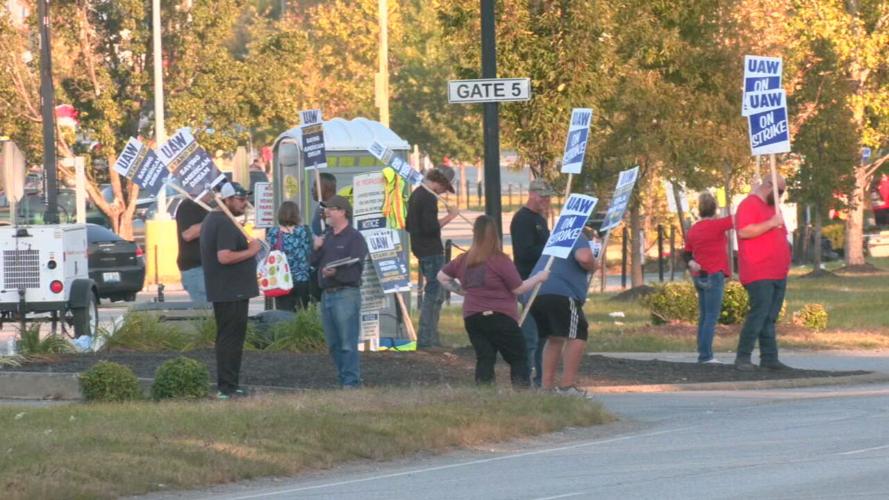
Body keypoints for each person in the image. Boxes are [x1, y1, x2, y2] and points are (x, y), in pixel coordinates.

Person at [438, 215, 549, 387]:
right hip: (500, 316)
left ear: (475, 234)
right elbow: (518, 288)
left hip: (473, 317)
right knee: (518, 356)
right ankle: (522, 394)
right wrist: (539, 278)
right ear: (495, 235)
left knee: (485, 357)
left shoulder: (464, 259)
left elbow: (442, 277)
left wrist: (461, 291)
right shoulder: (500, 260)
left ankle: (484, 393)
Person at [200, 182, 261, 399]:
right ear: (226, 200)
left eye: (246, 199)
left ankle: (230, 384)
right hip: (229, 289)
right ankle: (226, 386)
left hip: (229, 289)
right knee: (230, 338)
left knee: (231, 337)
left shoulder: (216, 220)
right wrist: (252, 251)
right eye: (240, 199)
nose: (245, 203)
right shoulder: (223, 222)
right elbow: (224, 256)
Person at [528, 230, 599, 396]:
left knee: (555, 338)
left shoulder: (557, 241)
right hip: (561, 294)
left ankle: (546, 387)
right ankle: (567, 386)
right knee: (578, 334)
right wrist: (595, 264)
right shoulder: (577, 236)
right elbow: (585, 258)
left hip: (537, 293)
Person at [310, 195, 369, 388]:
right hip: (327, 294)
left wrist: (336, 273)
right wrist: (317, 249)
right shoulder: (326, 236)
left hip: (346, 294)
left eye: (332, 209)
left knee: (347, 342)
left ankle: (351, 382)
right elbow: (312, 262)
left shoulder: (355, 238)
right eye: (327, 209)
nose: (327, 212)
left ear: (343, 212)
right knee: (333, 344)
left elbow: (355, 270)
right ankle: (344, 377)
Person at [734, 175, 791, 371]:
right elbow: (744, 231)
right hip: (759, 270)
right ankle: (743, 356)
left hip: (777, 271)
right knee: (759, 314)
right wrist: (771, 223)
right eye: (780, 192)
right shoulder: (749, 205)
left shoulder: (774, 208)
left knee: (770, 316)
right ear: (768, 186)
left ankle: (769, 357)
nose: (781, 197)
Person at [406, 166, 459, 349]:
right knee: (434, 295)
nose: (445, 192)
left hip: (420, 250)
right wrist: (450, 216)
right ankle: (427, 339)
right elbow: (430, 228)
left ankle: (430, 338)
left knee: (434, 293)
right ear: (441, 182)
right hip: (431, 251)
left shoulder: (416, 194)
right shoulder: (428, 198)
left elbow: (408, 225)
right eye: (446, 188)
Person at [510, 179, 556, 386]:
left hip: (541, 283)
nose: (545, 200)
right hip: (527, 281)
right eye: (542, 196)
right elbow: (525, 252)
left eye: (548, 196)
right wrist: (549, 249)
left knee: (543, 336)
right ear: (531, 194)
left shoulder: (540, 219)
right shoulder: (523, 220)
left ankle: (541, 380)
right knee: (530, 336)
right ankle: (524, 380)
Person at [682, 192, 733, 364]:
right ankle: (705, 356)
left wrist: (691, 263)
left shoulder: (694, 229)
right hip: (714, 274)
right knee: (711, 316)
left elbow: (686, 253)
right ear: (715, 209)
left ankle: (703, 352)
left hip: (699, 275)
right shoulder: (718, 225)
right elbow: (738, 218)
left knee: (704, 316)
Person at [266, 201, 312, 311]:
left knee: (283, 316)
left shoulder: (273, 232)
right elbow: (309, 252)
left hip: (281, 279)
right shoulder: (303, 231)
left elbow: (268, 253)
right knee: (301, 314)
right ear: (296, 214)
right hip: (301, 278)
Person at [309, 172, 337, 301]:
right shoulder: (320, 208)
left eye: (315, 185)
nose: (312, 189)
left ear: (324, 188)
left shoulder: (333, 209)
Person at [176, 197, 209, 303]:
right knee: (205, 308)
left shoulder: (208, 207)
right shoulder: (188, 206)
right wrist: (214, 219)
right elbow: (188, 234)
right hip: (196, 266)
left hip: (211, 266)